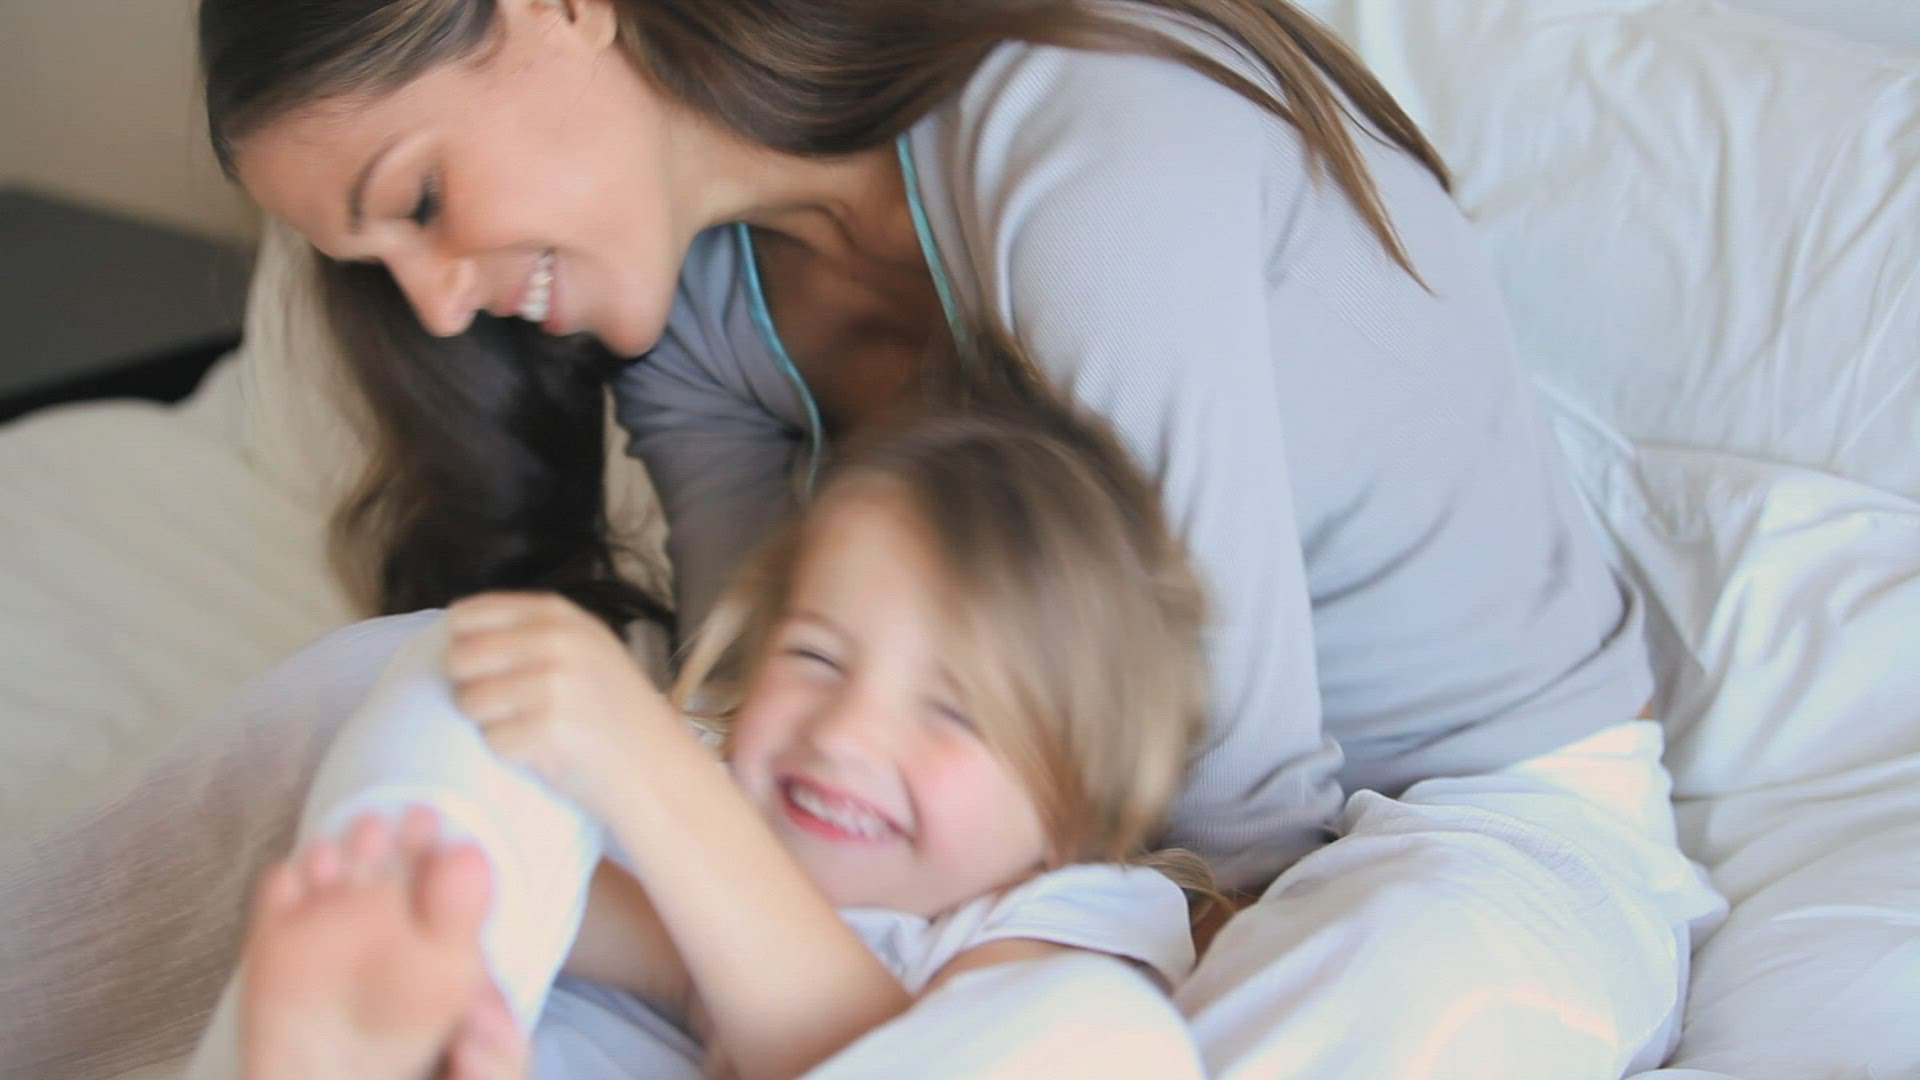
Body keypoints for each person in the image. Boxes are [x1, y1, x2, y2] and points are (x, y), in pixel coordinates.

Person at [0, 0, 1725, 1076]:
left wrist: (744, 895)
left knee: (1248, 1007)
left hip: (1413, 828)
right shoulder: (695, 303)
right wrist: (577, 855)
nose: (440, 307)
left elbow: (1227, 819)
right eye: (381, 268)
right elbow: (755, 738)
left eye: (424, 202)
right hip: (979, 837)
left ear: (562, 11)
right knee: (428, 694)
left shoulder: (1083, 140)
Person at [225, 401, 1215, 1080]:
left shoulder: (1070, 917)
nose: (845, 732)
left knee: (1112, 1041)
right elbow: (557, 896)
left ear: (1076, 802)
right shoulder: (710, 794)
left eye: (954, 710)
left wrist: (649, 771)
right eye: (816, 656)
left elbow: (902, 1054)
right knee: (451, 672)